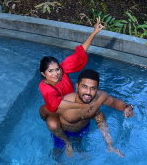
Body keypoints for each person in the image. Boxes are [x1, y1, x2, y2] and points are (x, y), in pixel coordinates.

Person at [39, 18, 104, 154]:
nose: (56, 73)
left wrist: (94, 33)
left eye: (57, 69)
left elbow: (80, 52)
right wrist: (82, 106)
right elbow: (56, 105)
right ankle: (63, 151)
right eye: (50, 71)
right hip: (57, 111)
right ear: (43, 74)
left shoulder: (63, 70)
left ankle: (78, 149)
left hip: (72, 106)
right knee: (55, 131)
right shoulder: (44, 87)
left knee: (79, 131)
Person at [54, 69, 134, 157]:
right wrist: (67, 143)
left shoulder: (100, 97)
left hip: (82, 128)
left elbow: (114, 102)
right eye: (84, 86)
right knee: (58, 151)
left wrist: (128, 107)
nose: (88, 92)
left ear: (96, 89)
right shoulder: (64, 103)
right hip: (63, 132)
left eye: (92, 88)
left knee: (98, 116)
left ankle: (109, 146)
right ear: (77, 87)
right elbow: (51, 120)